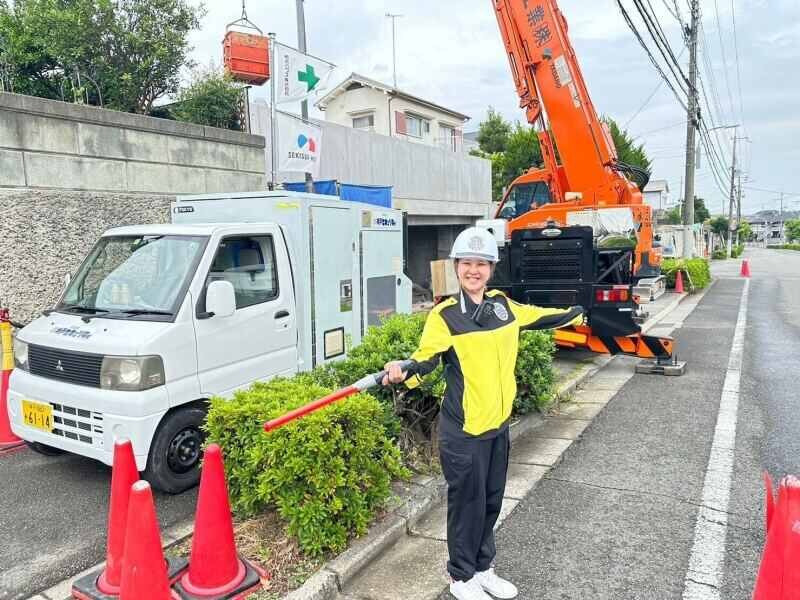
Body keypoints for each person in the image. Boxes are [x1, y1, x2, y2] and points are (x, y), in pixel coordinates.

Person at [383, 226, 584, 600]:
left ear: (491, 268)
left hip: (496, 426)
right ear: (456, 267)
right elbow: (424, 361)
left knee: (491, 500)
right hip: (463, 431)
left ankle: (483, 569)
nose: (473, 270)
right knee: (467, 505)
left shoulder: (504, 308)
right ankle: (461, 578)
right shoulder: (445, 316)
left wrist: (578, 311)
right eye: (467, 263)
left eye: (481, 263)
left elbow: (542, 316)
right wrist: (402, 369)